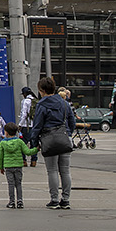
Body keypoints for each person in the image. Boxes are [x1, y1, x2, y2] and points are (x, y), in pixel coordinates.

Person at [30, 76, 76, 209]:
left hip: (48, 139)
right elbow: (71, 122)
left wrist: (35, 142)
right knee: (65, 171)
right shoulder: (64, 103)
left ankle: (54, 199)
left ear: (42, 90)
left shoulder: (41, 104)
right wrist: (67, 134)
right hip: (63, 137)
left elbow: (37, 125)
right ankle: (66, 199)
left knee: (52, 171)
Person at [0, 122, 39, 209]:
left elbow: (0, 156)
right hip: (18, 166)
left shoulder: (3, 143)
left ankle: (11, 202)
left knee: (10, 184)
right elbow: (27, 152)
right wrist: (36, 149)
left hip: (8, 166)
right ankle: (20, 201)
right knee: (18, 184)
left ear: (6, 132)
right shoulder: (19, 142)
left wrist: (0, 167)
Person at [17, 87, 37, 166]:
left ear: (24, 94)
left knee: (22, 144)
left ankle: (23, 161)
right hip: (34, 125)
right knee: (33, 144)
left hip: (26, 125)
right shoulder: (35, 100)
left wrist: (20, 125)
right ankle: (34, 161)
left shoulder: (25, 101)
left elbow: (24, 114)